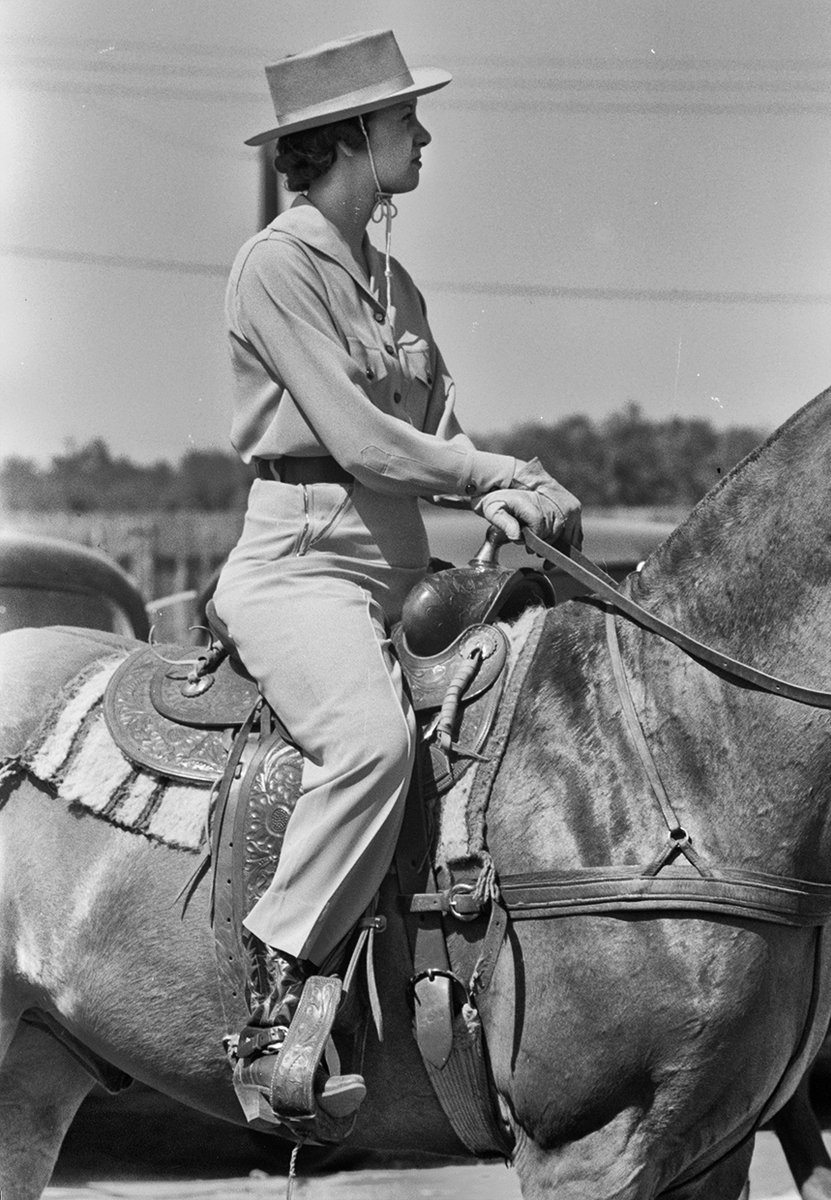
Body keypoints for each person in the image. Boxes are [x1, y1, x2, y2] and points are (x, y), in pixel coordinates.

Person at [213, 29, 582, 1118]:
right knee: (371, 743)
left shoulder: (390, 278)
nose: (422, 134)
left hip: (402, 571)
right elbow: (370, 444)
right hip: (300, 574)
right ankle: (273, 985)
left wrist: (509, 495)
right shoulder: (277, 264)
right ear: (352, 138)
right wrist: (490, 472)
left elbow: (442, 425)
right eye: (405, 119)